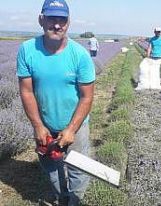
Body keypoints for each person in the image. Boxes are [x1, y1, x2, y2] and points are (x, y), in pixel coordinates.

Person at [16, 0, 95, 205]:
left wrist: (71, 129)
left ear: (68, 23)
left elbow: (87, 97)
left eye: (62, 20)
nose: (57, 25)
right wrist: (38, 126)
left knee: (78, 169)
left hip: (76, 125)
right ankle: (61, 197)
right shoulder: (27, 50)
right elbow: (26, 91)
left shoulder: (80, 55)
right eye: (52, 19)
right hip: (44, 125)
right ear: (41, 20)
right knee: (51, 167)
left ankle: (75, 201)